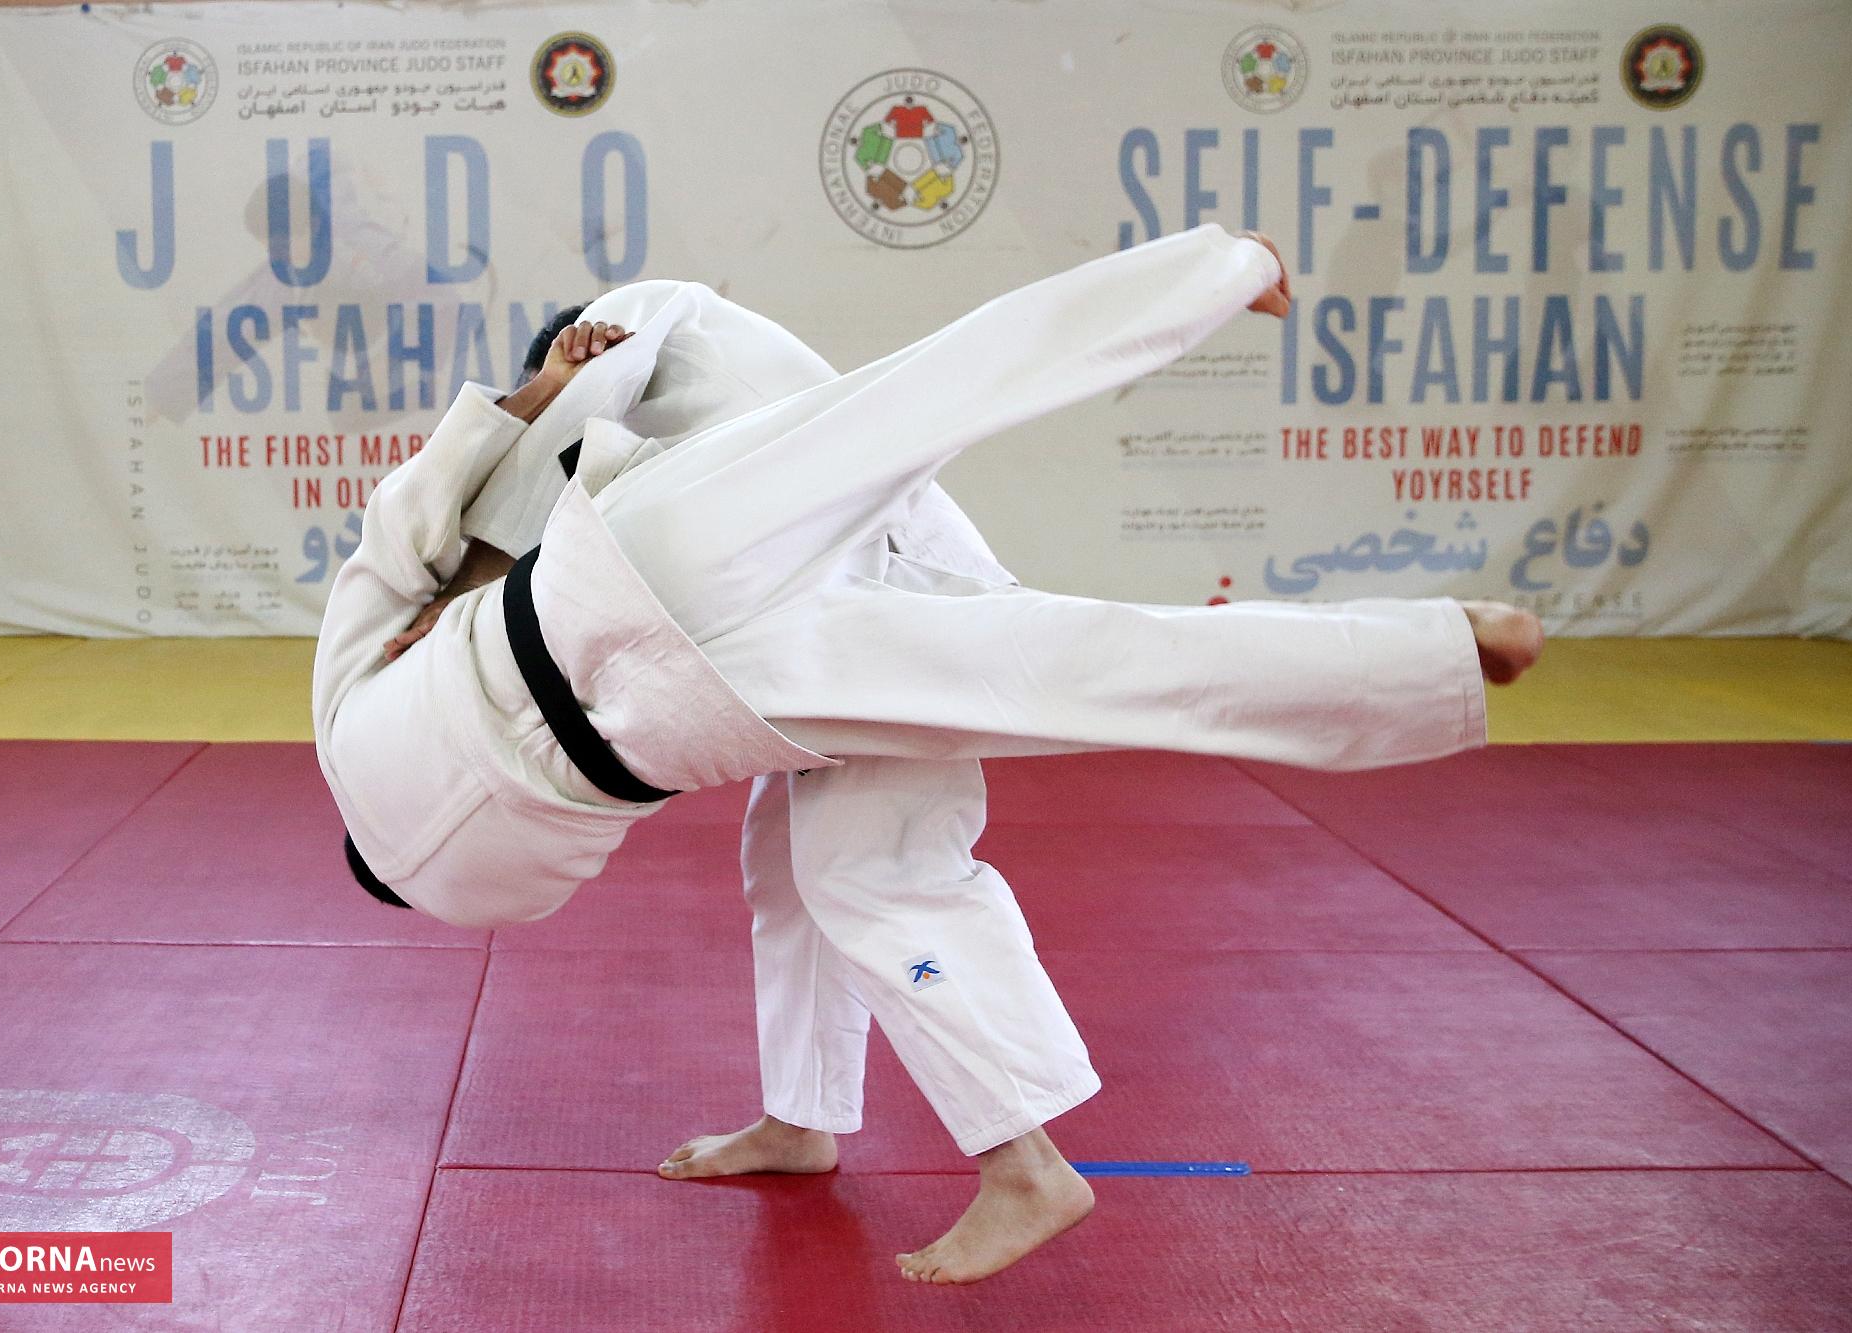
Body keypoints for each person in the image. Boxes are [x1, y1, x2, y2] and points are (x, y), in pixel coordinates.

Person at [312, 224, 1542, 1282]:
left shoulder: (501, 887)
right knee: (940, 423)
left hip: (696, 692)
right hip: (647, 592)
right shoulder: (362, 709)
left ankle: (1432, 642)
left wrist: (536, 439)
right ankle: (1228, 278)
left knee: (1084, 671)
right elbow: (411, 527)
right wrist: (527, 438)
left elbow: (460, 582)